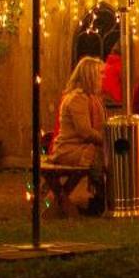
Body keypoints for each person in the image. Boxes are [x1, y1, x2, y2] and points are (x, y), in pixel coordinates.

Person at [51, 56, 109, 215]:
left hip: (80, 147)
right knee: (101, 156)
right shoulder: (77, 98)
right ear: (90, 76)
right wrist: (107, 141)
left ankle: (102, 201)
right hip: (69, 149)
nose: (103, 77)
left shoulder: (91, 97)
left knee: (108, 154)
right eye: (100, 74)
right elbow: (85, 132)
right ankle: (101, 202)